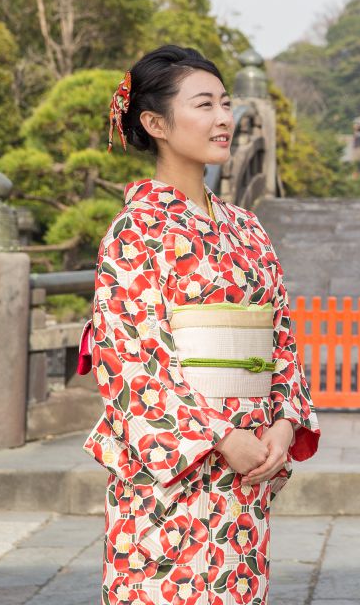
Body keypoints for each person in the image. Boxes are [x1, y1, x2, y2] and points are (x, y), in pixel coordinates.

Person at [84, 44, 320, 604]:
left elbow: (280, 337)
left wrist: (284, 423)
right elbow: (131, 362)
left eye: (225, 103)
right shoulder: (134, 231)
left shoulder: (247, 226)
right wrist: (218, 435)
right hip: (176, 467)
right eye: (203, 104)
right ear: (155, 123)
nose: (222, 118)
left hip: (251, 460)